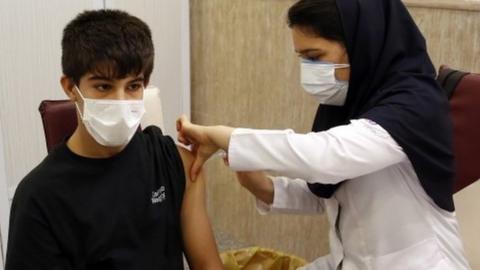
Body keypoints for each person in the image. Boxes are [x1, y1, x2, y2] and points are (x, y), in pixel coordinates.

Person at [176, 0, 471, 269]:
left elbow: (326, 159)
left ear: (360, 45)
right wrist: (266, 188)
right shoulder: (353, 104)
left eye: (315, 57)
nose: (308, 70)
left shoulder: (414, 105)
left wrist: (223, 136)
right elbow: (333, 191)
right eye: (303, 58)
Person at [5, 10, 223, 270]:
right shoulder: (39, 197)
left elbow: (209, 265)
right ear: (70, 87)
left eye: (133, 86)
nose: (120, 102)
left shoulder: (177, 164)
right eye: (103, 86)